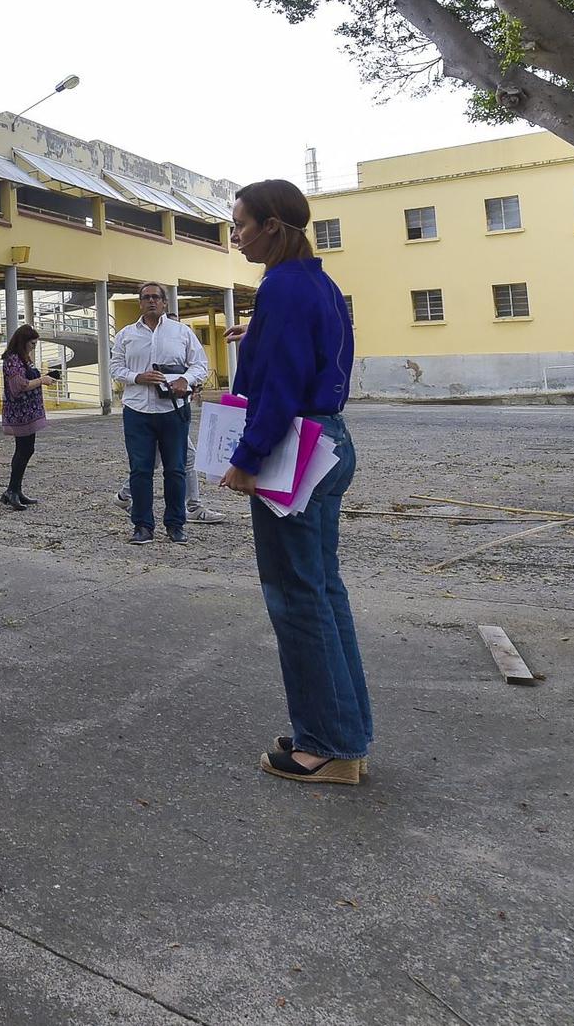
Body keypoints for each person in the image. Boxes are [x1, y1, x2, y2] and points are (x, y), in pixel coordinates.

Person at [218, 178, 367, 786]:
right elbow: (315, 359)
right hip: (329, 440)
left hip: (292, 449)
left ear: (273, 227)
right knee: (323, 593)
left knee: (296, 598)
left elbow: (277, 389)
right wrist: (256, 341)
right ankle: (341, 732)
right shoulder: (321, 283)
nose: (236, 237)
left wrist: (247, 457)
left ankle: (327, 745)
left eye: (241, 225)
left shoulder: (278, 285)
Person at [110, 282, 209, 544]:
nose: (151, 301)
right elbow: (115, 367)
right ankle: (142, 526)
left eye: (156, 297)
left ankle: (176, 524)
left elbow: (200, 365)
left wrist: (185, 380)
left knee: (175, 470)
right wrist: (137, 377)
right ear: (140, 302)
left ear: (165, 302)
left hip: (173, 410)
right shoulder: (126, 335)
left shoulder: (182, 333)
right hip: (137, 410)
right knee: (140, 470)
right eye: (146, 297)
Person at [0, 325, 52, 509]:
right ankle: (12, 491)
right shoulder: (13, 360)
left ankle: (15, 490)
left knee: (26, 449)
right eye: (32, 343)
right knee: (24, 450)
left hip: (28, 412)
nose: (33, 347)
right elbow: (18, 385)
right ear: (24, 342)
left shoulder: (23, 358)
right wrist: (41, 380)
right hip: (20, 413)